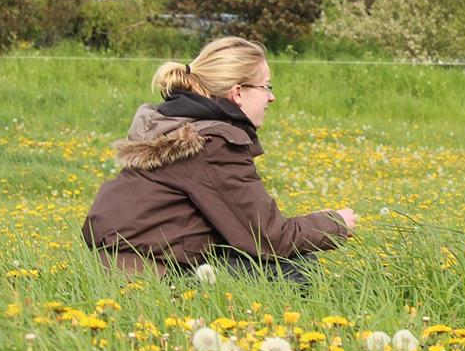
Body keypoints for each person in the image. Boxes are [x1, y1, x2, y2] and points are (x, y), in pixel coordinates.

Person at [83, 36, 357, 283]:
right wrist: (335, 223)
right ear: (238, 93)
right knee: (298, 268)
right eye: (266, 86)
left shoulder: (182, 125)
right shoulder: (214, 144)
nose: (271, 97)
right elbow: (270, 239)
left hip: (117, 267)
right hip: (149, 277)